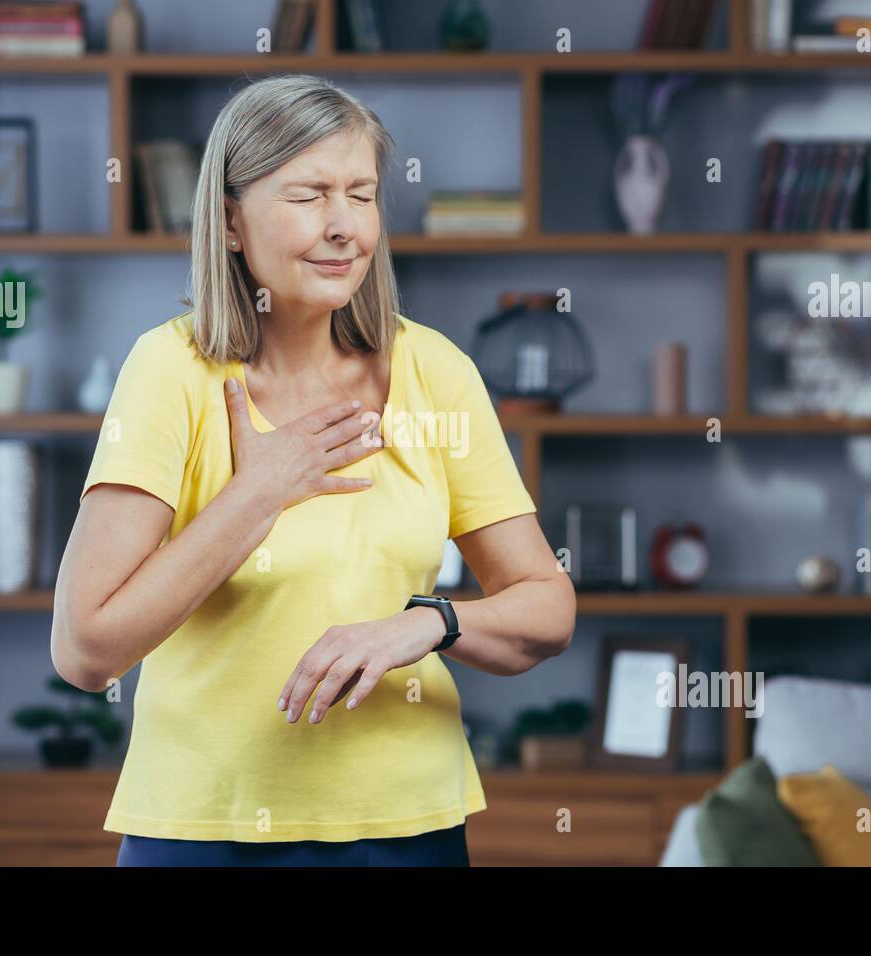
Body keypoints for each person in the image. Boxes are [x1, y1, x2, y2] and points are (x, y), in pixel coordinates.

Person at [51, 74, 576, 867]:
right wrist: (257, 493)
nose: (344, 228)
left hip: (407, 829)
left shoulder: (436, 370)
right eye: (308, 196)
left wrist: (425, 622)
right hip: (207, 831)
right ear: (230, 221)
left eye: (360, 195)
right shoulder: (172, 371)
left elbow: (546, 609)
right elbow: (85, 650)